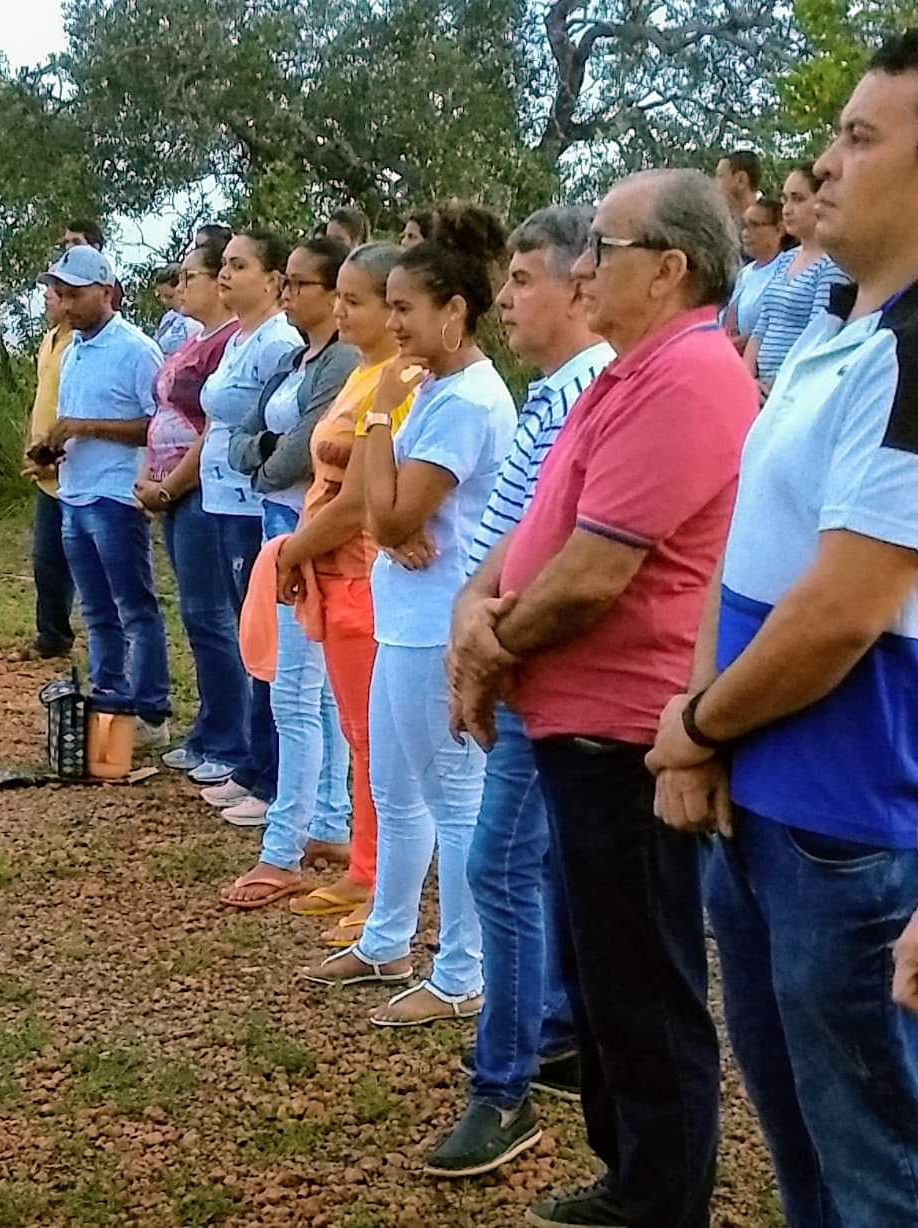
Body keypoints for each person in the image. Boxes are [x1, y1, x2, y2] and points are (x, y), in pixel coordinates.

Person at [449, 170, 757, 1228]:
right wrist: (478, 617)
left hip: (629, 730)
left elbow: (591, 573)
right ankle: (629, 1172)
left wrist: (488, 652)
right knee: (600, 966)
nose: (584, 269)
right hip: (579, 723)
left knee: (643, 978)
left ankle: (661, 1197)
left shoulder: (687, 377)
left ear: (670, 268)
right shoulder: (628, 373)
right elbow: (537, 527)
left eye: (603, 249)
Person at [649, 32, 918, 1228]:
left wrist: (696, 722)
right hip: (761, 801)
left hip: (849, 828)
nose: (827, 163)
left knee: (879, 1164)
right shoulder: (835, 331)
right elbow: (745, 550)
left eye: (861, 138)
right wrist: (704, 735)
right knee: (806, 1142)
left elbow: (844, 610)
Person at [427, 206, 615, 1179]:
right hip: (517, 660)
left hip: (543, 671)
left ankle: (500, 1089)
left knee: (500, 866)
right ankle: (554, 1032)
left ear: (582, 289)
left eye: (524, 280)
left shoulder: (587, 394)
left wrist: (485, 650)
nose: (505, 299)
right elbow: (516, 540)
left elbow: (562, 560)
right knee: (538, 868)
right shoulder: (554, 394)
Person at [302, 201, 517, 1033]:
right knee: (394, 791)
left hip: (441, 623)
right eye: (386, 306)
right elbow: (374, 507)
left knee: (454, 799)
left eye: (404, 308)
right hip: (405, 614)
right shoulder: (429, 387)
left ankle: (464, 969)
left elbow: (389, 519)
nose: (392, 323)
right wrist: (386, 507)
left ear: (454, 312)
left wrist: (382, 419)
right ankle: (389, 938)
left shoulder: (464, 400)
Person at [273, 242, 415, 944]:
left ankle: (387, 880)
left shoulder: (396, 380)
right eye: (343, 298)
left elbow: (361, 498)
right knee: (359, 734)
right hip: (330, 570)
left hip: (357, 567)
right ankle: (365, 867)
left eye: (355, 299)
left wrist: (296, 547)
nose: (341, 310)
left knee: (375, 738)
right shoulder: (361, 373)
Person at [220, 237, 359, 894]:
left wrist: (265, 457)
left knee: (299, 694)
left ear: (334, 294)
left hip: (308, 530)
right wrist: (262, 454)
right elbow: (242, 435)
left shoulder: (344, 363)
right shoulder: (291, 357)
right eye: (290, 283)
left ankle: (284, 849)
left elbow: (300, 451)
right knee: (310, 689)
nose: (288, 294)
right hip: (280, 524)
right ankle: (328, 819)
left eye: (301, 284)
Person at [38, 245, 170, 747]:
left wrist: (85, 427)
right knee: (95, 610)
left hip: (116, 495)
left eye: (74, 295)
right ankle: (110, 699)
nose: (65, 304)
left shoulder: (136, 350)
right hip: (75, 492)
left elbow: (155, 426)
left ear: (107, 292)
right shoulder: (73, 350)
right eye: (61, 295)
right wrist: (54, 447)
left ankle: (151, 709)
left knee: (134, 606)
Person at [192, 230, 302, 822]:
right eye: (225, 265)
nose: (226, 275)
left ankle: (271, 772)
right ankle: (256, 764)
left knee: (263, 642)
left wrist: (246, 445)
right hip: (223, 495)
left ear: (273, 279)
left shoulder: (276, 342)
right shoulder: (240, 338)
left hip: (250, 502)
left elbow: (261, 427)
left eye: (239, 265)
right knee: (247, 634)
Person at [138, 234, 246, 778]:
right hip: (175, 490)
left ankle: (229, 736)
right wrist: (148, 476)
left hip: (201, 489)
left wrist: (172, 483)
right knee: (197, 615)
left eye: (190, 277)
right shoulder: (192, 339)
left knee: (212, 616)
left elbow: (213, 429)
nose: (181, 287)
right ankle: (210, 725)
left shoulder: (228, 343)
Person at [12, 281, 76, 662]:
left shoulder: (78, 347)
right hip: (45, 460)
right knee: (47, 557)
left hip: (70, 461)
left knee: (83, 557)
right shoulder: (50, 339)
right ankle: (51, 633)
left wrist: (55, 452)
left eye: (53, 294)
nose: (47, 301)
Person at [745, 163, 851, 388]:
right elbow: (763, 324)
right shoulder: (784, 259)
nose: (787, 209)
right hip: (758, 386)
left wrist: (777, 386)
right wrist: (747, 379)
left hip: (792, 387)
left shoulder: (831, 265)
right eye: (785, 199)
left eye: (797, 199)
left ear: (821, 200)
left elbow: (816, 338)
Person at [722, 199, 788, 353]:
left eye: (755, 225)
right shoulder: (745, 273)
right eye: (744, 226)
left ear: (779, 230)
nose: (745, 233)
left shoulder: (786, 268)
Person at [60, 218, 124, 312]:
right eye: (67, 242)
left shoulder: (110, 284)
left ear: (94, 247)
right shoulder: (58, 275)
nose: (69, 247)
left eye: (76, 242)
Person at [152, 264, 203, 356]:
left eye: (169, 296)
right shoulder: (168, 317)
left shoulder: (195, 322)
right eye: (161, 296)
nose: (164, 301)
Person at [715, 149, 763, 225]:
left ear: (741, 180)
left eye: (720, 176)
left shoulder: (771, 221)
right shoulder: (723, 220)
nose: (714, 182)